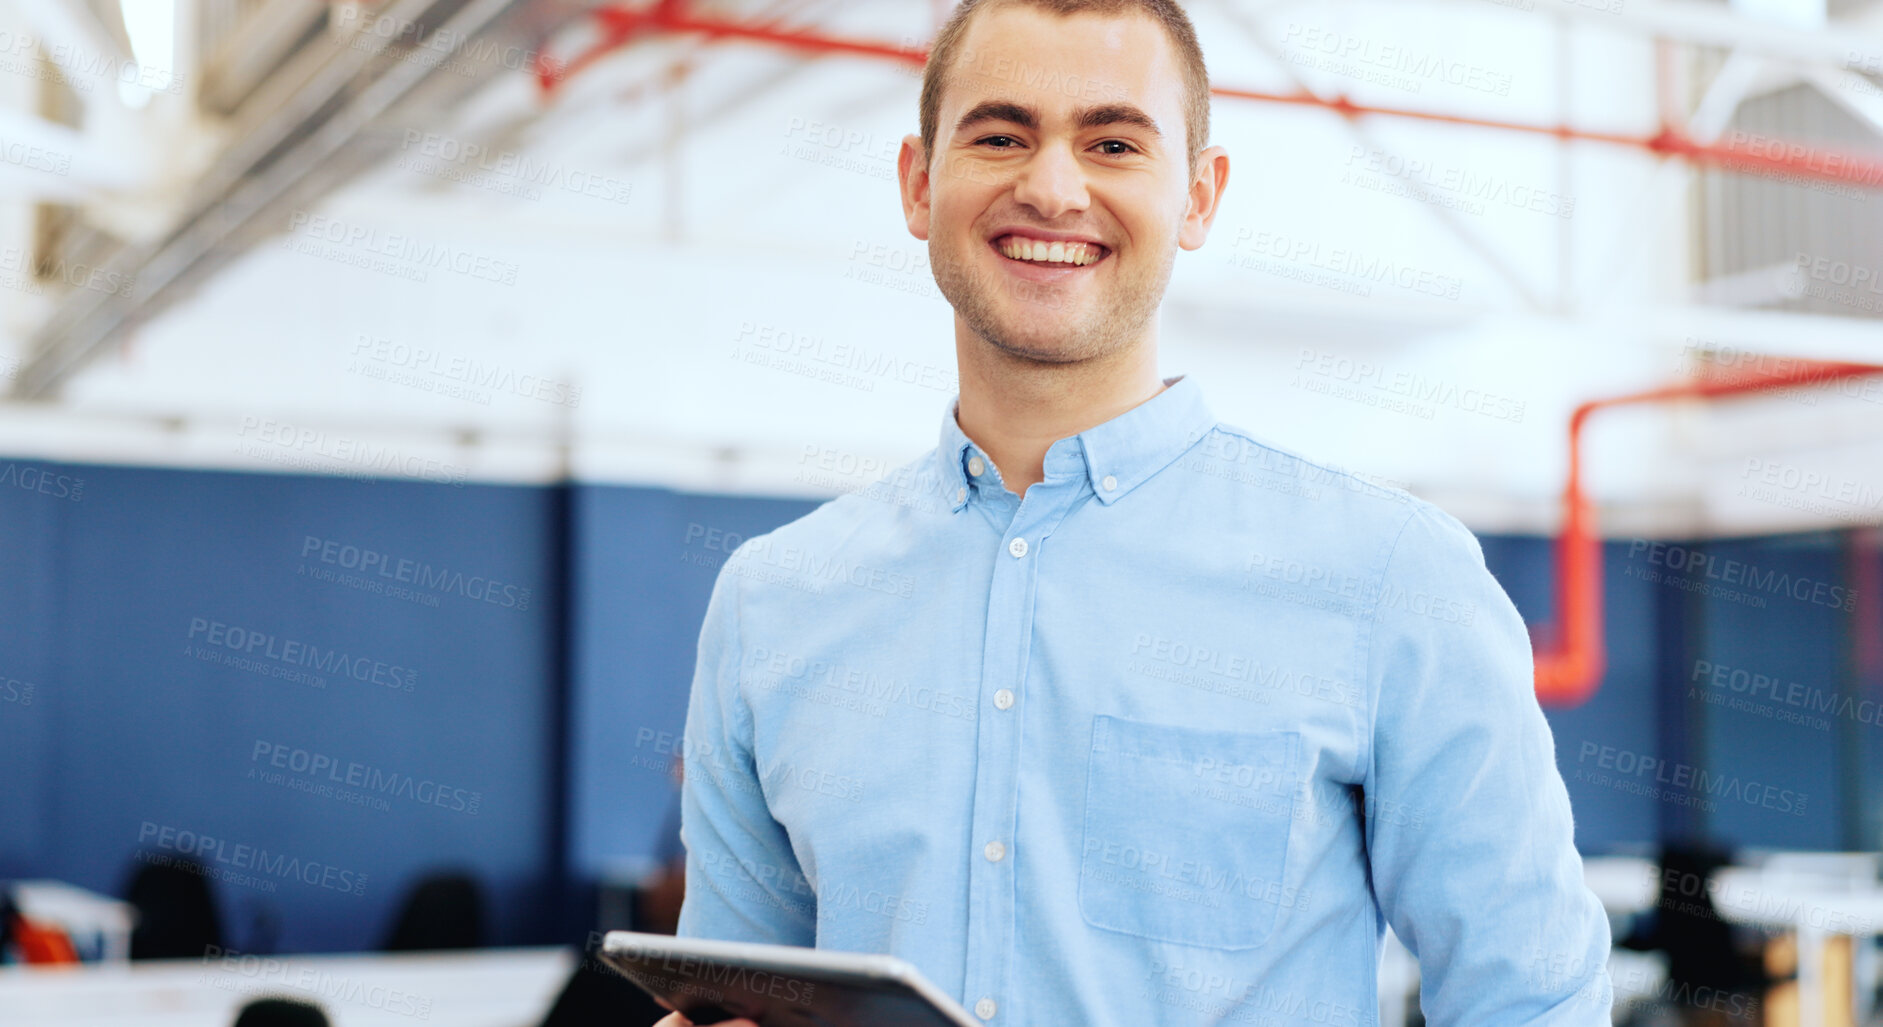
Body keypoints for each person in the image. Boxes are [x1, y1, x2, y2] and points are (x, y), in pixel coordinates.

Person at [655, 0, 1613, 1023]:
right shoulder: (772, 604)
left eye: (1112, 141)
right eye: (1000, 134)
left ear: (1198, 196)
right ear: (919, 183)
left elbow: (1534, 999)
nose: (1052, 186)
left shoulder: (1389, 579)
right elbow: (738, 1003)